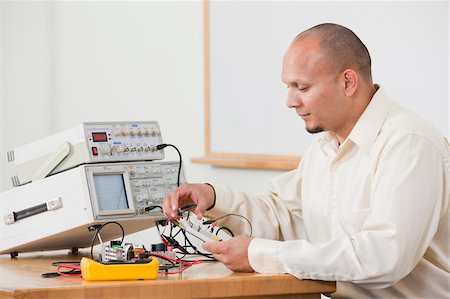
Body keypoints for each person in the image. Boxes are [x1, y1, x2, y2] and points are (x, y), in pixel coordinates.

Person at [163, 23, 449, 298]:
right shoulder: (324, 147)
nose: (290, 101)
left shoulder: (410, 143)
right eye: (288, 86)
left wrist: (261, 255)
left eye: (303, 87)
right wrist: (213, 198)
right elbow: (280, 215)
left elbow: (384, 257)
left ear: (348, 82)